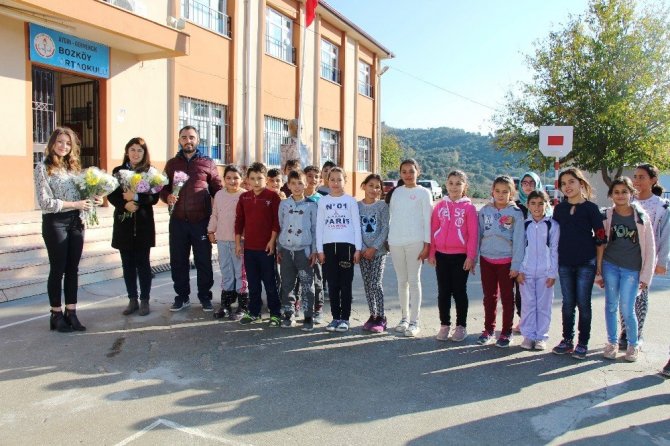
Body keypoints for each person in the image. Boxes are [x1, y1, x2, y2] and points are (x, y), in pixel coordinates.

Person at [34, 127, 101, 332]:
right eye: (60, 142)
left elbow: (83, 197)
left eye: (68, 143)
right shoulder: (43, 168)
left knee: (73, 269)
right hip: (55, 222)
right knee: (58, 269)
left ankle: (71, 313)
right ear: (52, 143)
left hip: (76, 222)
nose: (64, 146)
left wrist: (94, 199)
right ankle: (56, 314)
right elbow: (45, 202)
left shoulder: (74, 168)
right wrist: (74, 204)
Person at [160, 125, 222, 312]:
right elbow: (162, 188)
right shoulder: (171, 164)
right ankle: (182, 296)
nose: (188, 140)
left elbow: (218, 190)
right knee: (178, 261)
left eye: (192, 137)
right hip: (178, 221)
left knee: (203, 261)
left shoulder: (207, 163)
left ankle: (205, 297)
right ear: (179, 140)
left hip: (201, 221)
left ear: (198, 140)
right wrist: (167, 196)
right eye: (184, 137)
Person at [551, 167, 607, 359]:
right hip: (565, 263)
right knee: (568, 303)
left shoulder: (591, 208)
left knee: (583, 303)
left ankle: (582, 343)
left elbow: (600, 238)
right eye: (563, 183)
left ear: (581, 183)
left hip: (586, 263)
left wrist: (598, 265)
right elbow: (554, 237)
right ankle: (567, 340)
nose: (567, 186)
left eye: (571, 182)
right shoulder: (559, 209)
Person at [599, 177, 655, 362]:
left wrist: (646, 276)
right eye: (616, 192)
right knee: (610, 305)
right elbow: (598, 244)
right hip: (610, 265)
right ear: (611, 195)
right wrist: (598, 272)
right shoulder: (606, 216)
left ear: (631, 193)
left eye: (624, 192)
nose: (620, 195)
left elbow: (650, 248)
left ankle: (633, 344)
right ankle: (612, 342)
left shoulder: (641, 217)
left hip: (631, 269)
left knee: (627, 307)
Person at [620, 164, 670, 353]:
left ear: (653, 180)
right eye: (635, 177)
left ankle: (637, 334)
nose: (637, 181)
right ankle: (625, 332)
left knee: (640, 296)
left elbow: (665, 236)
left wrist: (662, 262)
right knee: (623, 296)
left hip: (647, 258)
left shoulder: (661, 206)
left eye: (642, 177)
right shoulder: (627, 200)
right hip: (624, 256)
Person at [108, 137, 159, 316]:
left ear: (144, 153)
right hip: (124, 224)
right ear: (127, 152)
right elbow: (112, 195)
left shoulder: (151, 172)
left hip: (143, 225)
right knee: (127, 264)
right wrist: (125, 205)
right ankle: (132, 299)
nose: (136, 153)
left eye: (139, 150)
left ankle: (145, 300)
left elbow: (154, 198)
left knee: (143, 264)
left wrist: (136, 197)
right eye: (132, 149)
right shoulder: (118, 171)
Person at [477, 175, 525, 347]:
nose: (500, 195)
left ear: (511, 193)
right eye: (497, 191)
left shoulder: (516, 213)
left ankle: (506, 332)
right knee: (489, 297)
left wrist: (516, 265)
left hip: (507, 262)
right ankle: (489, 329)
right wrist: (474, 258)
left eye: (505, 192)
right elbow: (478, 235)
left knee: (507, 298)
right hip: (486, 259)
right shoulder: (485, 211)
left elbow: (519, 241)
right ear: (492, 191)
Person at [429, 170, 478, 342]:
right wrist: (432, 252)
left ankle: (461, 326)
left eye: (458, 183)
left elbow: (473, 235)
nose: (454, 187)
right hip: (441, 256)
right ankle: (444, 325)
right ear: (446, 184)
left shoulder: (469, 208)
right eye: (451, 183)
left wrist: (471, 257)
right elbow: (433, 230)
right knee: (443, 292)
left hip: (460, 257)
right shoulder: (440, 206)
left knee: (459, 292)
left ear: (465, 186)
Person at [388, 159, 432, 337]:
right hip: (396, 242)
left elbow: (428, 220)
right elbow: (392, 216)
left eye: (411, 171)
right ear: (400, 174)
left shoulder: (424, 193)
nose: (407, 175)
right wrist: (389, 239)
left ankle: (415, 321)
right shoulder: (396, 192)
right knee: (401, 281)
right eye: (404, 171)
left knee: (414, 281)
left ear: (417, 172)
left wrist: (427, 245)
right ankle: (404, 318)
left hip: (416, 242)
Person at [235, 162, 282, 326]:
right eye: (253, 178)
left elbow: (276, 222)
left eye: (259, 178)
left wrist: (272, 241)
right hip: (249, 248)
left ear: (266, 179)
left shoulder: (273, 197)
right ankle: (254, 312)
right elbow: (239, 222)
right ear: (247, 180)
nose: (256, 182)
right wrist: (238, 243)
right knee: (253, 283)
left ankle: (275, 314)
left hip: (266, 248)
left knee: (270, 283)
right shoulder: (244, 197)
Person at [316, 167, 362, 333]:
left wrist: (358, 249)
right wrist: (319, 250)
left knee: (345, 284)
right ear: (327, 181)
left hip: (347, 247)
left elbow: (356, 226)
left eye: (339, 179)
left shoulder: (350, 201)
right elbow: (319, 226)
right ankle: (335, 318)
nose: (335, 183)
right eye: (332, 179)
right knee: (333, 284)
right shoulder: (323, 201)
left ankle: (345, 319)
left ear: (345, 181)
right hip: (328, 247)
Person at [517, 190, 559, 350]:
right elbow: (519, 249)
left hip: (545, 273)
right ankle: (528, 336)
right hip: (526, 272)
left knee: (544, 306)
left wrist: (552, 272)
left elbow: (554, 250)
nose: (537, 207)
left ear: (547, 205)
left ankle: (541, 337)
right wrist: (519, 270)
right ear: (528, 205)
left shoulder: (552, 225)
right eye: (533, 203)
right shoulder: (524, 225)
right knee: (528, 304)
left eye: (541, 203)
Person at [277, 170, 318, 330]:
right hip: (287, 251)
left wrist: (314, 250)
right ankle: (289, 313)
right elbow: (281, 226)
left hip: (304, 252)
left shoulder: (312, 205)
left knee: (307, 284)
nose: (297, 186)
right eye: (293, 183)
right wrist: (279, 248)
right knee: (287, 284)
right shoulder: (284, 204)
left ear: (306, 184)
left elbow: (315, 229)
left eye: (300, 183)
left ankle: (308, 316)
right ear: (288, 185)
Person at [208, 164, 248, 320]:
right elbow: (215, 214)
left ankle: (243, 306)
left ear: (242, 179)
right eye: (228, 178)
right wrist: (211, 230)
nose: (232, 181)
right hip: (222, 240)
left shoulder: (245, 195)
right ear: (224, 179)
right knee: (226, 271)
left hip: (239, 242)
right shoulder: (219, 195)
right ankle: (226, 304)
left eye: (236, 178)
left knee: (240, 272)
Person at [513, 171, 550, 332]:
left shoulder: (547, 210)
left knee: (540, 295)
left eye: (532, 183)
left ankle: (539, 326)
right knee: (521, 292)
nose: (528, 186)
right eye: (524, 183)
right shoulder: (515, 206)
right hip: (521, 256)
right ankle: (524, 320)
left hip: (541, 261)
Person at [358, 174, 390, 333]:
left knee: (375, 284)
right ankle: (373, 314)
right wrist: (363, 248)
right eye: (371, 185)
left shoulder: (382, 206)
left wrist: (374, 248)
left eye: (377, 187)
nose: (374, 189)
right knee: (367, 284)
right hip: (363, 252)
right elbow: (355, 228)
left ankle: (381, 317)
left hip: (379, 252)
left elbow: (385, 228)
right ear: (364, 186)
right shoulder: (357, 206)